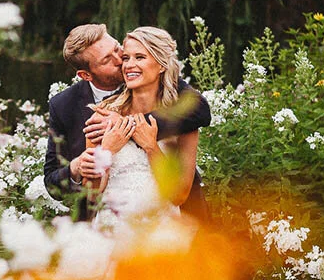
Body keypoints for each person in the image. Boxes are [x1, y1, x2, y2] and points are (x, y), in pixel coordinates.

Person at [44, 23, 211, 220]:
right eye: (109, 59)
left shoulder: (173, 98)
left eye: (117, 50)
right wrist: (80, 165)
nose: (122, 62)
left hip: (170, 222)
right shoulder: (90, 113)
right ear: (86, 75)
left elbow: (200, 110)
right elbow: (83, 191)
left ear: (161, 65)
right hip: (112, 222)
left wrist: (132, 128)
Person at [90, 26, 199, 229]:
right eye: (126, 58)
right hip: (112, 228)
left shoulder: (182, 121)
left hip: (161, 230)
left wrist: (151, 147)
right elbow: (91, 196)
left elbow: (179, 196)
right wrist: (106, 151)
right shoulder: (103, 115)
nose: (129, 65)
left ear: (160, 65)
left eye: (139, 57)